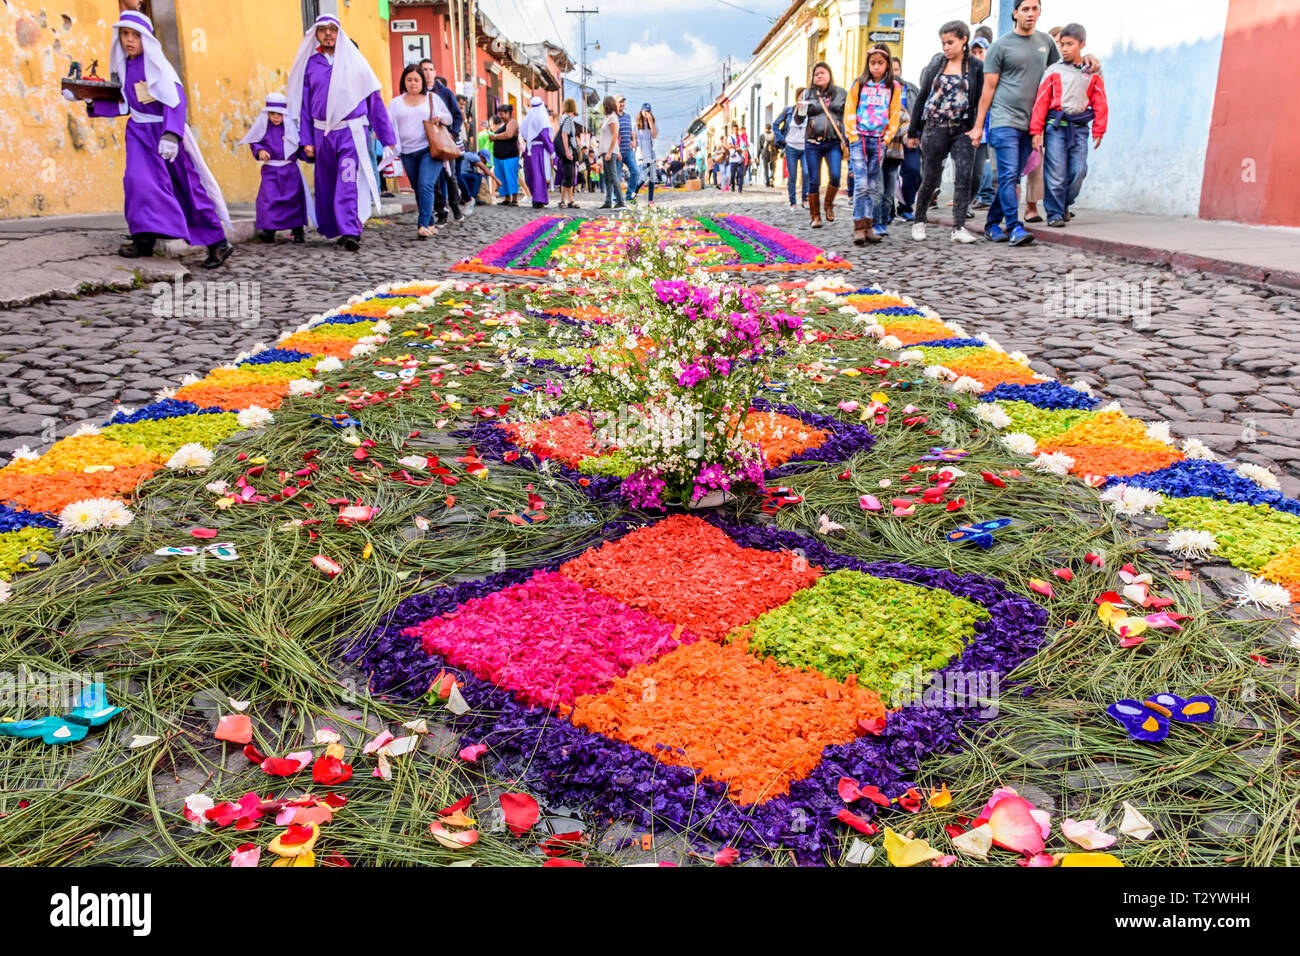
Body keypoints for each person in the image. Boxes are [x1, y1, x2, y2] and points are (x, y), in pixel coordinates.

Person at [70, 10, 232, 267]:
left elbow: (176, 101)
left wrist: (171, 134)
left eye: (136, 35)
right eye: (124, 34)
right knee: (136, 181)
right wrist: (90, 99)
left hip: (165, 134)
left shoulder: (158, 67)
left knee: (186, 188)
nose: (129, 40)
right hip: (138, 133)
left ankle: (217, 243)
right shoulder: (123, 66)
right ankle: (143, 239)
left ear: (147, 39)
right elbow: (123, 105)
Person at [970, 0, 1101, 246]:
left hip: (1032, 125)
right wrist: (979, 126)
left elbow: (1063, 66)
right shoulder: (1001, 46)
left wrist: (1089, 56)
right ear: (1015, 13)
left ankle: (991, 224)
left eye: (1035, 8)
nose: (1030, 13)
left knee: (1013, 177)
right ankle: (1014, 227)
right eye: (1025, 9)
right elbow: (988, 89)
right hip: (1004, 119)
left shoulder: (1046, 42)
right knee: (1009, 175)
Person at [288, 14, 396, 252]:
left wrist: (387, 137)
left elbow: (373, 99)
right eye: (323, 30)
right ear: (316, 34)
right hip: (321, 134)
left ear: (339, 33)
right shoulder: (310, 65)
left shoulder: (354, 62)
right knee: (327, 184)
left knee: (347, 180)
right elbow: (305, 105)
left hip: (350, 132)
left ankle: (351, 231)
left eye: (332, 29)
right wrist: (306, 140)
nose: (328, 34)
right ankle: (336, 227)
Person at [908, 21, 983, 244]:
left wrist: (978, 127)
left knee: (963, 178)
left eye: (950, 42)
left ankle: (958, 227)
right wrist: (914, 131)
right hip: (934, 126)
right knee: (931, 177)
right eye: (943, 43)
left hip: (963, 128)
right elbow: (922, 96)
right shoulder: (937, 63)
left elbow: (980, 98)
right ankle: (919, 221)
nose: (946, 47)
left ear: (963, 40)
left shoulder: (976, 67)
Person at [1031, 23, 1107, 226]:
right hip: (1055, 127)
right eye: (1062, 44)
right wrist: (1036, 130)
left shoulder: (1092, 72)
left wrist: (1099, 128)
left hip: (1079, 128)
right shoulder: (1053, 71)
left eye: (1069, 44)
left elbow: (1100, 101)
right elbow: (1041, 102)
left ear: (1082, 44)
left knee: (1078, 171)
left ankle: (1064, 203)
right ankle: (1054, 213)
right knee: (1055, 171)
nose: (1064, 49)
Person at [845, 45, 902, 245]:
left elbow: (895, 113)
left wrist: (887, 138)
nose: (876, 67)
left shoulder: (893, 87)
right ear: (867, 64)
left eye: (880, 63)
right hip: (859, 138)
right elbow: (849, 110)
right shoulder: (859, 85)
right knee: (860, 185)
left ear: (887, 65)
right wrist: (852, 136)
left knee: (871, 186)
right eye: (872, 63)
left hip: (878, 140)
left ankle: (869, 226)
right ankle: (858, 227)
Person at [387, 64, 449, 240]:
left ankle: (422, 225)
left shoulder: (432, 98)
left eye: (417, 80)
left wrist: (440, 118)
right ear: (403, 81)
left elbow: (449, 118)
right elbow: (388, 123)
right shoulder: (396, 102)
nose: (413, 83)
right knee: (418, 188)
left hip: (430, 149)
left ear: (422, 81)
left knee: (425, 185)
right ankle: (430, 222)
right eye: (409, 80)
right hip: (407, 152)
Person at [240, 91, 311, 244]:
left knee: (293, 200)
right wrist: (260, 150)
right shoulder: (263, 128)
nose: (276, 117)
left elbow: (297, 146)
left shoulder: (290, 128)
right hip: (270, 170)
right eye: (272, 114)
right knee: (268, 199)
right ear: (267, 114)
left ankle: (297, 230)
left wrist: (308, 153)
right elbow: (255, 140)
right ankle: (269, 230)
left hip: (289, 171)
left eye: (279, 114)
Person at [801, 62, 847, 228]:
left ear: (829, 74)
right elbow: (799, 120)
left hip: (833, 142)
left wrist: (846, 140)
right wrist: (800, 109)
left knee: (835, 175)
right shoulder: (808, 94)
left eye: (822, 73)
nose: (819, 76)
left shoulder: (841, 93)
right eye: (816, 74)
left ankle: (828, 204)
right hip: (813, 143)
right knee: (814, 179)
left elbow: (847, 117)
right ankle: (815, 216)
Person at [968, 37, 996, 209]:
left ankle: (985, 195)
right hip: (970, 126)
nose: (978, 56)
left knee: (982, 166)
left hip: (986, 126)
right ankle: (975, 198)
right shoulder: (968, 73)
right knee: (970, 168)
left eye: (981, 52)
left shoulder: (991, 74)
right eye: (975, 52)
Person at [773, 87, 810, 208]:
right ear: (797, 98)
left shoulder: (810, 112)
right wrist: (781, 139)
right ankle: (793, 202)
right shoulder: (789, 111)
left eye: (806, 97)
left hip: (805, 147)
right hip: (791, 147)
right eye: (801, 97)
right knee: (792, 176)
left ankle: (805, 199)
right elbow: (775, 124)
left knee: (806, 173)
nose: (803, 99)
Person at [518, 96, 554, 209]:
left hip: (529, 150)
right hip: (540, 151)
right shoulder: (542, 119)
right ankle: (539, 199)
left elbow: (523, 134)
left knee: (532, 175)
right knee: (540, 175)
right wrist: (552, 150)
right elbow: (545, 136)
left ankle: (535, 198)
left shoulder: (527, 119)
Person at [489, 103, 521, 205]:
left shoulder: (513, 122)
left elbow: (509, 134)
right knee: (502, 177)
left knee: (511, 176)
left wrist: (495, 137)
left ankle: (514, 199)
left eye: (502, 114)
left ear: (508, 113)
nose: (501, 117)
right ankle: (507, 198)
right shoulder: (504, 124)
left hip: (510, 156)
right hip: (500, 156)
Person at [598, 95, 625, 209]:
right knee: (608, 178)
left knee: (613, 176)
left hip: (609, 152)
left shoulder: (613, 117)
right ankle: (608, 201)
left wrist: (610, 152)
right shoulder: (609, 118)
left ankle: (620, 200)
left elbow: (615, 135)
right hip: (607, 151)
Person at [614, 95, 640, 205]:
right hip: (618, 151)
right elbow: (613, 135)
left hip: (628, 150)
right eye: (620, 102)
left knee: (635, 172)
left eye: (623, 102)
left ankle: (629, 196)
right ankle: (615, 199)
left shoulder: (628, 117)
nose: (622, 104)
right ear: (615, 103)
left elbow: (631, 132)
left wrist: (633, 141)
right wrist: (616, 150)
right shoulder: (613, 117)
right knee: (617, 176)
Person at [556, 97, 581, 208]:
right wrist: (567, 151)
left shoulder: (564, 118)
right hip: (568, 152)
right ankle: (564, 200)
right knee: (568, 176)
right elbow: (564, 134)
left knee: (569, 177)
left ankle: (570, 199)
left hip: (568, 151)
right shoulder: (567, 119)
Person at [634, 103, 658, 205]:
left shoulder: (652, 124)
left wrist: (651, 122)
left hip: (651, 155)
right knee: (643, 177)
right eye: (645, 111)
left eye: (648, 111)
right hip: (641, 155)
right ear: (641, 112)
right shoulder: (636, 125)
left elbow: (655, 135)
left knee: (652, 178)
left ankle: (650, 200)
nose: (646, 113)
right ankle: (633, 193)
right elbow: (634, 139)